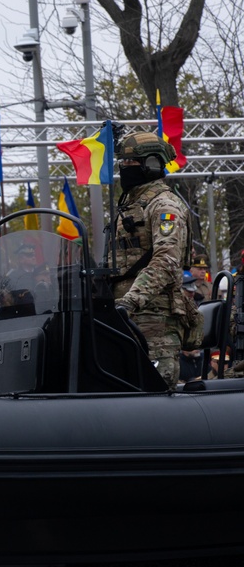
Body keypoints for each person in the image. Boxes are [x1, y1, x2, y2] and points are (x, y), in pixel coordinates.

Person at [108, 131, 187, 388]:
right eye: (121, 164)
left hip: (155, 320)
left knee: (154, 396)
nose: (123, 169)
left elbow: (167, 259)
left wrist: (130, 301)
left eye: (128, 164)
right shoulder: (130, 206)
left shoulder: (164, 205)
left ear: (152, 165)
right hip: (126, 317)